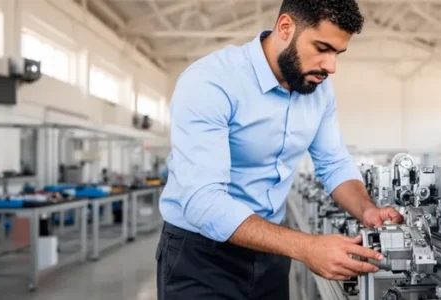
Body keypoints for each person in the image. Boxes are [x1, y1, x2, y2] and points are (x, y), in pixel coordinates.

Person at [156, 1, 403, 299]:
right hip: (201, 256)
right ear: (285, 27)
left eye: (337, 53)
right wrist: (306, 247)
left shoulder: (318, 91)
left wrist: (368, 210)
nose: (331, 66)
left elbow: (334, 162)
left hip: (272, 250)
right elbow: (202, 201)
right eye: (322, 47)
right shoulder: (211, 81)